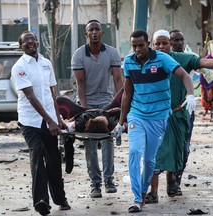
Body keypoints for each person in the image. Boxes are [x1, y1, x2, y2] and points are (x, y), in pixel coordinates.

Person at [146, 29, 213, 203]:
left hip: (178, 114)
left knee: (178, 152)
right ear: (152, 45)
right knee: (156, 154)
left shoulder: (181, 58)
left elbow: (204, 63)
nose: (162, 47)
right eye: (158, 44)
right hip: (155, 117)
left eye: (165, 43)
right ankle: (153, 193)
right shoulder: (147, 60)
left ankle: (172, 183)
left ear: (170, 44)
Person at [113, 29, 196, 213]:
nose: (137, 49)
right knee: (134, 152)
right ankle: (136, 198)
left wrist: (191, 95)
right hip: (137, 115)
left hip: (158, 117)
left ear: (148, 44)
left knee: (150, 161)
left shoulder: (162, 59)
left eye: (141, 45)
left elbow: (184, 75)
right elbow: (127, 93)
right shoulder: (128, 62)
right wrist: (121, 122)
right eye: (134, 46)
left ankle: (143, 192)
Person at [11, 30, 71, 216]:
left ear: (37, 43)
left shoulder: (46, 63)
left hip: (50, 120)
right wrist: (49, 120)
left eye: (32, 39)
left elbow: (51, 94)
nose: (30, 43)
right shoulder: (19, 66)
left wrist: (58, 119)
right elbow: (31, 96)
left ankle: (60, 199)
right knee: (37, 156)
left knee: (53, 160)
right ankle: (41, 202)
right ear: (20, 46)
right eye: (25, 40)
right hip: (30, 121)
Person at [71, 19, 123, 198]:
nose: (94, 32)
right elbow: (80, 85)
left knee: (108, 138)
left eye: (97, 29)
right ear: (86, 34)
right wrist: (86, 111)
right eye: (90, 30)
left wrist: (119, 105)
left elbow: (118, 81)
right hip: (87, 101)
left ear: (102, 33)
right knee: (90, 140)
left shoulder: (112, 53)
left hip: (107, 100)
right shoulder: (79, 55)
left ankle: (109, 180)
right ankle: (95, 184)